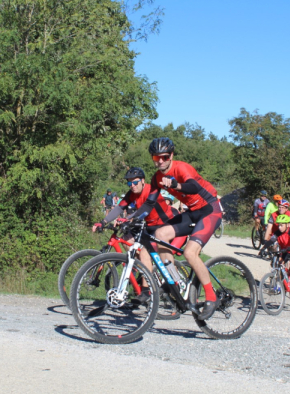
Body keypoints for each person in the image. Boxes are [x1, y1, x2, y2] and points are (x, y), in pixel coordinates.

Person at [132, 137, 223, 320]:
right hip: (193, 212)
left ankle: (211, 297)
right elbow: (150, 202)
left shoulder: (181, 168)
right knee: (160, 234)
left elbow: (194, 186)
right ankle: (174, 279)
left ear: (171, 155)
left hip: (210, 209)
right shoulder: (157, 177)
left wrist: (175, 184)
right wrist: (133, 218)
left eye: (164, 157)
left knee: (190, 253)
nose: (160, 161)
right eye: (156, 158)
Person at [92, 167, 182, 301]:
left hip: (166, 225)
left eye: (135, 182)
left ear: (143, 181)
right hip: (150, 226)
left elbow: (145, 210)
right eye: (129, 183)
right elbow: (119, 207)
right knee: (127, 241)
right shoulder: (131, 193)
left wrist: (128, 219)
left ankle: (148, 290)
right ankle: (144, 271)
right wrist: (103, 221)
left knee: (146, 252)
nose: (132, 186)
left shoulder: (151, 191)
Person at [261, 214, 290, 288]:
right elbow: (271, 241)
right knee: (279, 265)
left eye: (282, 225)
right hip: (286, 251)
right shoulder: (277, 233)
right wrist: (263, 248)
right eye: (278, 225)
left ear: (287, 224)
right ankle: (279, 284)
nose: (280, 227)